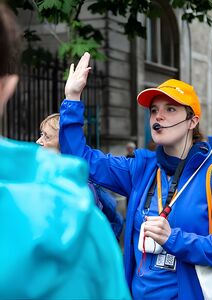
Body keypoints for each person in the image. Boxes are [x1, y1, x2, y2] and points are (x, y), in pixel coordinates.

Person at [59, 52, 212, 299]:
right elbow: (81, 160)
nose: (158, 116)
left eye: (170, 109)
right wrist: (72, 99)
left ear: (192, 121)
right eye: (153, 110)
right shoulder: (141, 167)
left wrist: (175, 239)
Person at [0, 5, 130, 299]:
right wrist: (71, 97)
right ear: (8, 87)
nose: (37, 142)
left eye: (45, 136)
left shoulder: (79, 198)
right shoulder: (73, 218)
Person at [36, 112, 124, 239]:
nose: (38, 141)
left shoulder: (80, 186)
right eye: (41, 134)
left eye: (47, 136)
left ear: (64, 143)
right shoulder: (47, 174)